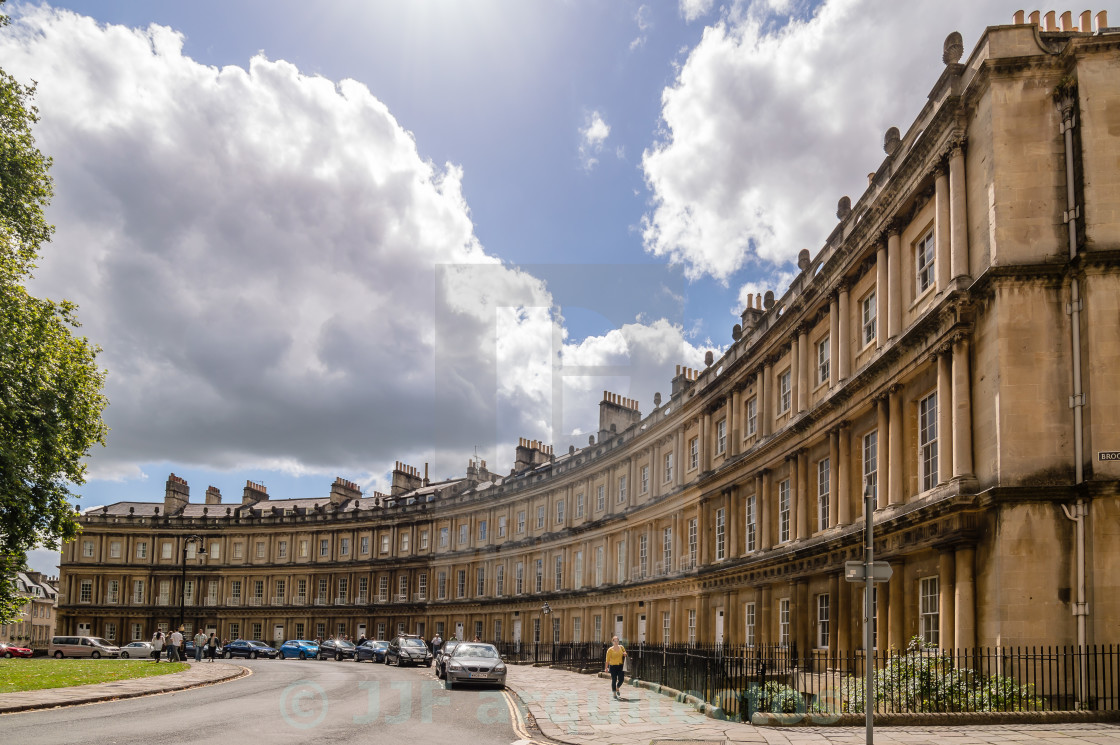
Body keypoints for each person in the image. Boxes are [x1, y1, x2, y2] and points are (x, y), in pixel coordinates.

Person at [603, 636, 627, 700]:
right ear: (612, 642)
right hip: (613, 666)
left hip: (620, 666)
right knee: (614, 679)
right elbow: (607, 660)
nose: (616, 642)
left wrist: (625, 654)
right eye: (614, 641)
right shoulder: (610, 650)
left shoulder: (621, 647)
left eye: (617, 641)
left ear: (618, 641)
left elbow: (625, 653)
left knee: (621, 679)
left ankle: (617, 687)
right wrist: (606, 668)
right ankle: (614, 693)